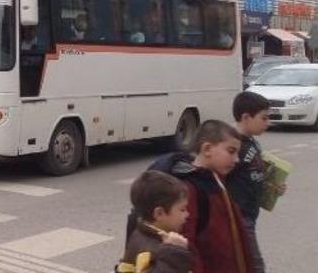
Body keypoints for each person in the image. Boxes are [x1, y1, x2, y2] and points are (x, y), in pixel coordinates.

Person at [180, 120, 253, 273]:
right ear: (207, 149)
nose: (236, 159)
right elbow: (187, 244)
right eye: (231, 151)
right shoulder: (190, 189)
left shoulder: (217, 177)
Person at [228, 91, 286, 273]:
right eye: (264, 118)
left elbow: (255, 172)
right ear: (246, 117)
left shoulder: (252, 142)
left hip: (250, 215)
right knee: (255, 267)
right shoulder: (232, 147)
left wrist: (272, 185)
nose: (268, 123)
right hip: (238, 218)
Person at [117, 171, 191, 273]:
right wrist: (174, 252)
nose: (187, 214)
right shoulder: (152, 250)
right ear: (159, 213)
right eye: (182, 209)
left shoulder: (141, 233)